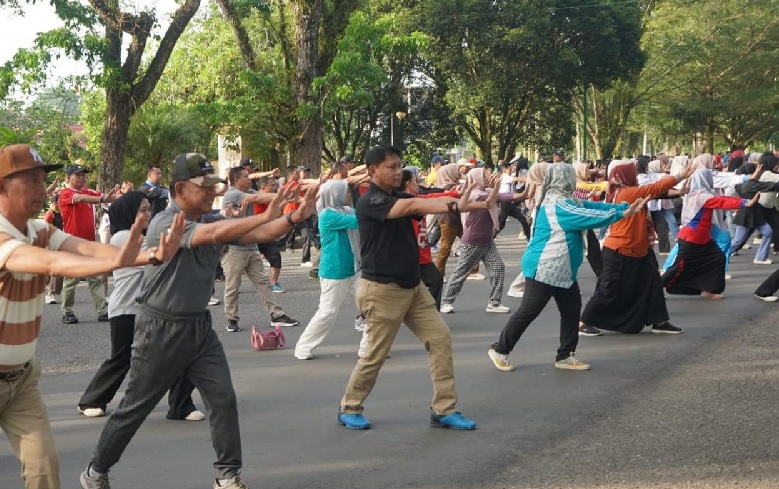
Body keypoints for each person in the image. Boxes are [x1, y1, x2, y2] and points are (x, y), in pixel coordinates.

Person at [79, 153, 318, 489]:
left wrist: (294, 218)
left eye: (212, 186)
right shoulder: (166, 222)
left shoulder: (209, 219)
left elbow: (260, 232)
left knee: (222, 398)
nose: (210, 192)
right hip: (160, 328)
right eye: (202, 186)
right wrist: (275, 212)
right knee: (134, 408)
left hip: (199, 328)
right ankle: (95, 472)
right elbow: (216, 232)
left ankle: (228, 476)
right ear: (179, 189)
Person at [0, 143, 183, 489]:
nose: (42, 190)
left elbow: (83, 248)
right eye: (31, 181)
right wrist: (117, 261)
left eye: (43, 180)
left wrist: (149, 256)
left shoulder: (39, 228)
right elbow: (53, 263)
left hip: (21, 380)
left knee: (44, 472)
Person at [337, 145, 487, 431]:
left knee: (440, 339)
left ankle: (444, 409)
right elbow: (413, 206)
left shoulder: (400, 195)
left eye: (399, 165)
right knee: (374, 355)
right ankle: (350, 406)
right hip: (381, 290)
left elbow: (426, 198)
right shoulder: (370, 202)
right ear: (372, 171)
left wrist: (472, 200)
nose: (398, 171)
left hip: (412, 287)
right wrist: (457, 204)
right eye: (391, 167)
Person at [487, 164, 648, 372]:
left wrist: (621, 208)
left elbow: (593, 208)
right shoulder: (559, 205)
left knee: (571, 310)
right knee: (529, 311)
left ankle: (565, 355)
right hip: (545, 266)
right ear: (566, 179)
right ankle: (500, 349)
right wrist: (622, 214)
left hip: (560, 268)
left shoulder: (566, 201)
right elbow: (589, 217)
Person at [76, 191, 204, 420]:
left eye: (148, 209)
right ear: (128, 214)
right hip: (126, 309)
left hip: (153, 310)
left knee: (183, 352)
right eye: (142, 210)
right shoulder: (122, 238)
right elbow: (165, 253)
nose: (148, 214)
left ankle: (181, 405)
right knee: (123, 358)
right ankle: (91, 400)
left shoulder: (143, 236)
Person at [578, 161, 694, 337]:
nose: (637, 175)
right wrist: (678, 176)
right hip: (621, 249)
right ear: (625, 177)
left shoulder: (622, 191)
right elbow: (653, 189)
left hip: (637, 249)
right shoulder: (628, 192)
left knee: (653, 283)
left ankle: (659, 321)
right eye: (633, 173)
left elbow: (656, 193)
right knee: (609, 288)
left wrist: (678, 191)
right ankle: (583, 322)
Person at [221, 167, 299, 332]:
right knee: (232, 286)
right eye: (245, 176)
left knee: (263, 282)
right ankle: (232, 319)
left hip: (252, 246)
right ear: (236, 179)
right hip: (235, 248)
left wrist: (288, 198)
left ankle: (276, 315)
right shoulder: (232, 194)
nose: (249, 178)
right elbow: (258, 198)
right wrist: (285, 194)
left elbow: (267, 200)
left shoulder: (248, 191)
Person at [662, 169, 757, 299]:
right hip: (692, 237)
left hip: (703, 238)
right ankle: (654, 289)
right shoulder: (701, 196)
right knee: (678, 267)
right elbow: (721, 201)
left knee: (718, 258)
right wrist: (744, 202)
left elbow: (720, 199)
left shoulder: (694, 193)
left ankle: (708, 289)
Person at [294, 180, 362, 359]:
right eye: (345, 192)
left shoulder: (347, 210)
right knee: (327, 313)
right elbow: (360, 220)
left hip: (355, 269)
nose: (348, 196)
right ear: (335, 194)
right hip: (334, 272)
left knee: (373, 306)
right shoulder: (327, 215)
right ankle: (303, 346)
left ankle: (371, 347)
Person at [439, 168, 511, 314]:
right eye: (484, 175)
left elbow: (502, 196)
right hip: (472, 240)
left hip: (487, 240)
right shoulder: (472, 194)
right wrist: (497, 186)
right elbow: (491, 200)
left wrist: (523, 194)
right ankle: (446, 301)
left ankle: (494, 303)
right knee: (461, 272)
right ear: (477, 178)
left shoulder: (488, 191)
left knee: (498, 268)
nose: (488, 176)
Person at [58, 163, 120, 324]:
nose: (81, 178)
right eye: (77, 175)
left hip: (89, 243)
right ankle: (67, 311)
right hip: (72, 244)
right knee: (71, 280)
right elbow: (80, 198)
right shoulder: (66, 193)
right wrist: (101, 199)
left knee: (95, 278)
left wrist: (121, 197)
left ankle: (102, 310)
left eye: (83, 175)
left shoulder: (88, 191)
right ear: (68, 178)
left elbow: (105, 196)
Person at [43, 194, 63, 304]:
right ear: (54, 203)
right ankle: (50, 293)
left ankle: (52, 292)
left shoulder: (62, 212)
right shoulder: (50, 215)